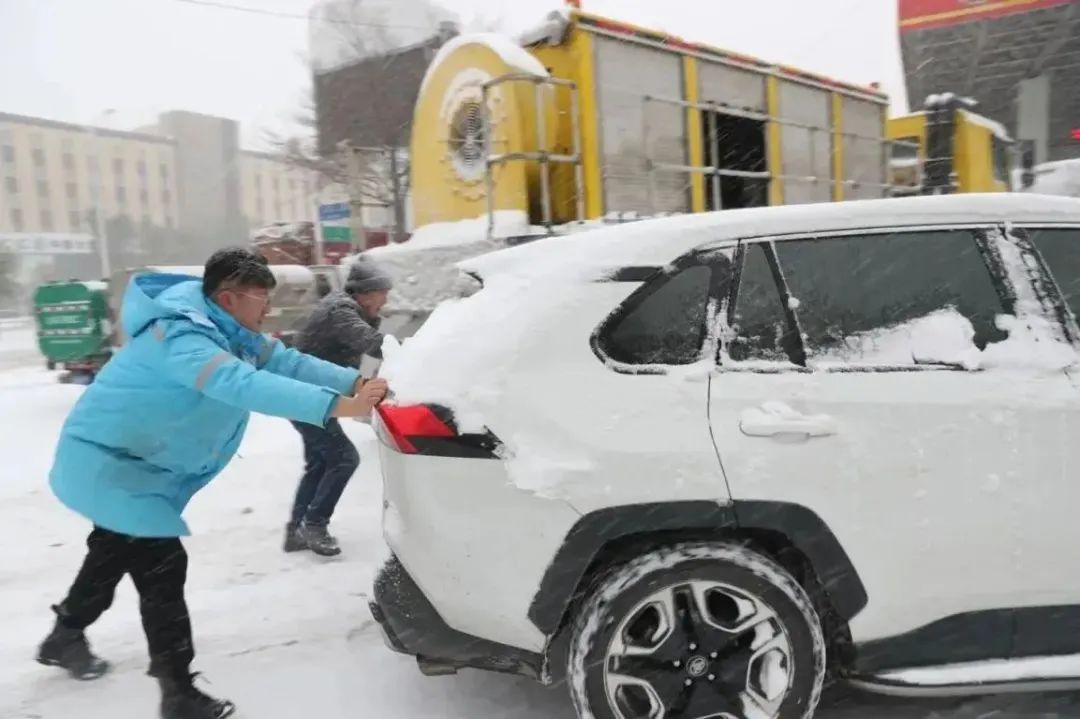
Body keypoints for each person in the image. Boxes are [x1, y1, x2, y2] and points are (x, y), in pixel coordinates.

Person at [35, 248, 387, 719]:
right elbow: (239, 383)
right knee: (161, 566)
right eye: (261, 297)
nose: (268, 308)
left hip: (139, 464)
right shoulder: (179, 337)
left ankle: (64, 636)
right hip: (110, 464)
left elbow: (287, 363)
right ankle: (178, 693)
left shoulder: (230, 331)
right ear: (228, 298)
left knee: (112, 552)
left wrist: (358, 383)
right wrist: (337, 406)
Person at [283, 256, 392, 557]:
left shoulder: (352, 311)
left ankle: (296, 531)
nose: (386, 300)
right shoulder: (340, 310)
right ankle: (314, 525)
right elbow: (373, 344)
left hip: (305, 393)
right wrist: (416, 349)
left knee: (321, 461)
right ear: (366, 293)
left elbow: (369, 359)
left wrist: (367, 388)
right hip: (303, 394)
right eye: (383, 293)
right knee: (343, 458)